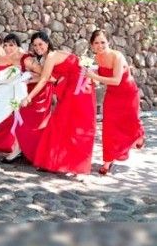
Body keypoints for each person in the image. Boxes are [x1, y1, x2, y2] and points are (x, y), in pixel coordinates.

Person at [22, 31, 96, 175]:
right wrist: (27, 80)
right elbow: (48, 77)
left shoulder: (51, 56)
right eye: (35, 45)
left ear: (47, 43)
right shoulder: (49, 57)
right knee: (63, 124)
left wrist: (29, 97)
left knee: (66, 124)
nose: (38, 47)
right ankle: (57, 162)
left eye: (40, 44)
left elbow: (44, 79)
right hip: (74, 88)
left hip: (77, 90)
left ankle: (65, 163)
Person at [86, 30, 145, 175]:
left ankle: (139, 134)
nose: (100, 46)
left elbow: (116, 80)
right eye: (96, 43)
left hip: (128, 93)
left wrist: (94, 76)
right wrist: (91, 78)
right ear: (92, 45)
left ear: (108, 42)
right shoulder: (97, 57)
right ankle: (108, 160)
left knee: (130, 122)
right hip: (112, 95)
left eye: (103, 42)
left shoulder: (117, 56)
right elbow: (101, 77)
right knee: (109, 126)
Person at [0, 33, 53, 164]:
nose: (8, 48)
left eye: (11, 45)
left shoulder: (27, 60)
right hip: (25, 92)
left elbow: (48, 77)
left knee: (27, 122)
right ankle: (20, 149)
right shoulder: (12, 59)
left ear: (18, 46)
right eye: (5, 45)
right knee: (20, 120)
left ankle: (24, 150)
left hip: (38, 93)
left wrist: (27, 79)